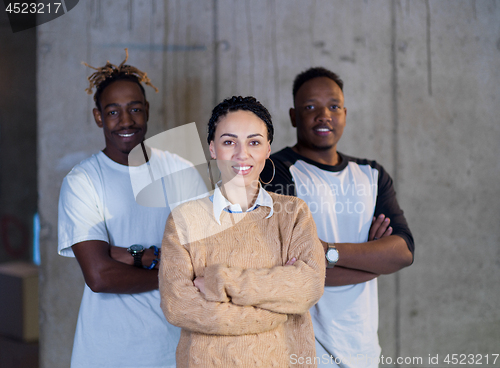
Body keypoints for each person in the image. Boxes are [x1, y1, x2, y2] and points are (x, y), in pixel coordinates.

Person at [57, 50, 206, 368]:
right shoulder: (82, 181)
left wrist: (127, 255)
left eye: (135, 109)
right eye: (113, 112)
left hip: (175, 349)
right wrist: (159, 261)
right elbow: (99, 276)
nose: (126, 121)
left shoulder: (180, 171)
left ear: (147, 110)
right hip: (107, 352)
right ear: (98, 116)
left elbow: (203, 261)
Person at [261, 67, 415, 368]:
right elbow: (286, 269)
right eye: (310, 107)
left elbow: (403, 252)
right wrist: (372, 262)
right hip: (302, 351)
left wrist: (326, 251)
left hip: (364, 349)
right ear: (294, 116)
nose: (324, 115)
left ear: (345, 112)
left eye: (333, 106)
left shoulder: (372, 174)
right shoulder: (276, 171)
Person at [159, 96, 326, 368]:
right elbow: (179, 306)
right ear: (212, 149)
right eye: (228, 142)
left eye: (254, 142)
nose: (242, 153)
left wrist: (221, 281)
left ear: (268, 149)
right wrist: (276, 307)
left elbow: (308, 286)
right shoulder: (184, 220)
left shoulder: (294, 213)